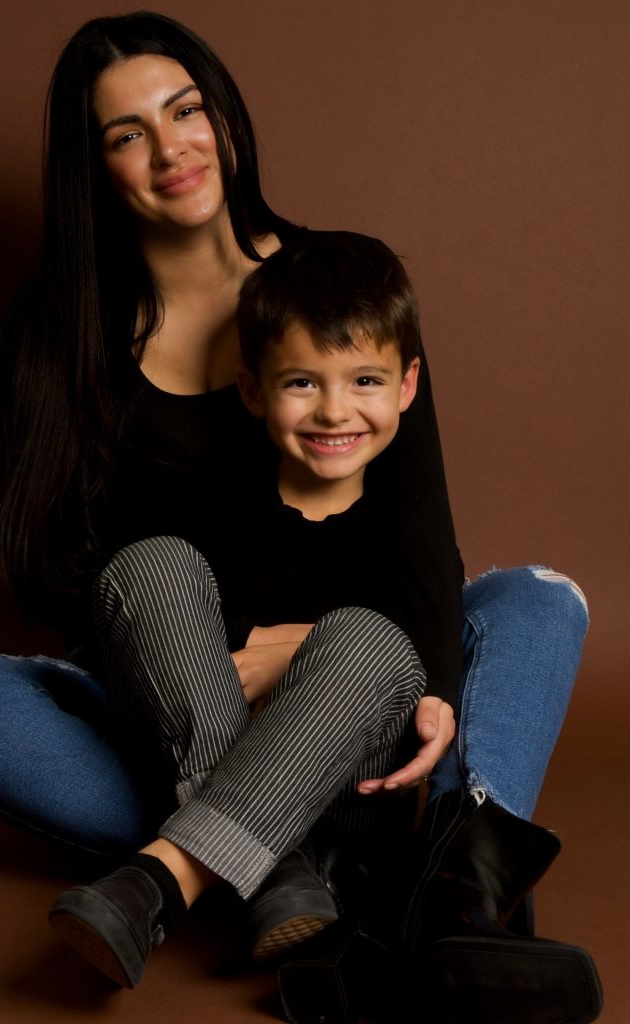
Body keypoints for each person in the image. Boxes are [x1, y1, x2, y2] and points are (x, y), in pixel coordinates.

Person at [0, 11, 600, 1022]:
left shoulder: (338, 286)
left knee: (538, 600)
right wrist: (240, 657)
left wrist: (306, 653)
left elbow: (419, 538)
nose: (170, 149)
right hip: (174, 688)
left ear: (225, 119)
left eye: (186, 111)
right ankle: (305, 868)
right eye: (127, 133)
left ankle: (387, 879)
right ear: (94, 168)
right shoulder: (56, 332)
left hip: (355, 679)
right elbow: (66, 571)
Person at [47, 231, 451, 981]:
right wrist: (259, 646)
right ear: (254, 391)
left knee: (369, 640)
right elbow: (167, 642)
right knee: (151, 564)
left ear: (407, 387)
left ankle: (162, 878)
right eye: (302, 383)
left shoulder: (403, 522)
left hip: (345, 788)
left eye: (365, 381)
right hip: (201, 746)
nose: (335, 411)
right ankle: (279, 870)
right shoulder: (219, 500)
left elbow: (422, 647)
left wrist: (296, 653)